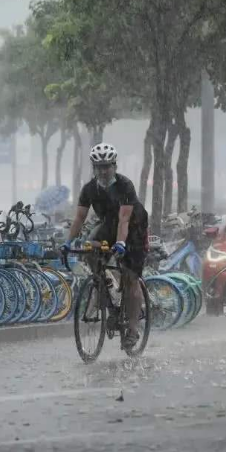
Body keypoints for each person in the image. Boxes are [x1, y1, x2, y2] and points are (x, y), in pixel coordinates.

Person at [60, 142, 149, 350]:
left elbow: (124, 219)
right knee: (90, 247)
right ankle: (102, 285)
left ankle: (133, 329)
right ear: (94, 168)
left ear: (114, 166)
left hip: (134, 227)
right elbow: (79, 218)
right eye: (99, 167)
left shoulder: (125, 185)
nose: (103, 170)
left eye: (107, 166)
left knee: (130, 277)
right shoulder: (89, 189)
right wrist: (67, 242)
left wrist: (120, 243)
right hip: (108, 224)